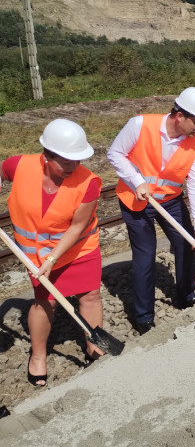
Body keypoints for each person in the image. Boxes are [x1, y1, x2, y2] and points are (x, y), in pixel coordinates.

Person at [2, 119, 102, 385]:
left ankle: (95, 344)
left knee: (90, 295)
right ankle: (38, 355)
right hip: (35, 254)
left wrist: (53, 258)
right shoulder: (20, 165)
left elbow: (77, 227)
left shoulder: (89, 182)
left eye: (78, 161)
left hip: (79, 249)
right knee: (45, 301)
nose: (73, 167)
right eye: (66, 162)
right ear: (47, 155)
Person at [107, 87, 195, 334]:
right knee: (145, 256)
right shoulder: (139, 125)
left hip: (171, 201)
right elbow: (115, 154)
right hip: (136, 201)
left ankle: (185, 295)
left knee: (187, 244)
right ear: (180, 116)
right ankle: (144, 317)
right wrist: (136, 180)